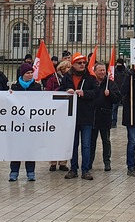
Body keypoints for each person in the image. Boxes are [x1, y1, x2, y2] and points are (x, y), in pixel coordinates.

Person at [63, 52, 98, 180]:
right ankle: (73, 169)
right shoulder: (67, 77)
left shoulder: (90, 77)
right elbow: (60, 91)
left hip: (86, 115)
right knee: (73, 144)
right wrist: (67, 92)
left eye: (84, 62)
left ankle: (86, 170)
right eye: (79, 63)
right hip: (72, 117)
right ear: (73, 64)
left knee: (86, 145)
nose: (82, 65)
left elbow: (96, 92)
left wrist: (84, 93)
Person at [9, 67, 41, 181]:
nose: (30, 75)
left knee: (30, 148)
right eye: (28, 73)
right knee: (16, 148)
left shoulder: (37, 87)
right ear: (22, 74)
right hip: (18, 123)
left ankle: (31, 172)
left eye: (32, 72)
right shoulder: (15, 87)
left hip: (31, 122)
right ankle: (14, 171)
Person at [91, 62, 120, 172]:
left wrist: (110, 94)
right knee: (91, 141)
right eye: (100, 70)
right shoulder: (92, 82)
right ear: (95, 71)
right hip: (93, 116)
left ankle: (107, 162)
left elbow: (118, 98)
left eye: (104, 70)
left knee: (106, 141)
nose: (102, 72)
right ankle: (89, 161)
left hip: (105, 116)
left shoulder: (110, 83)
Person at [47, 60, 72, 173]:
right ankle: (53, 162)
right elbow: (48, 93)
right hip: (54, 111)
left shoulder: (70, 78)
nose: (69, 70)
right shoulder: (52, 79)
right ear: (62, 69)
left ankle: (63, 162)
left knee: (64, 137)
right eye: (67, 67)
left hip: (66, 111)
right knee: (53, 138)